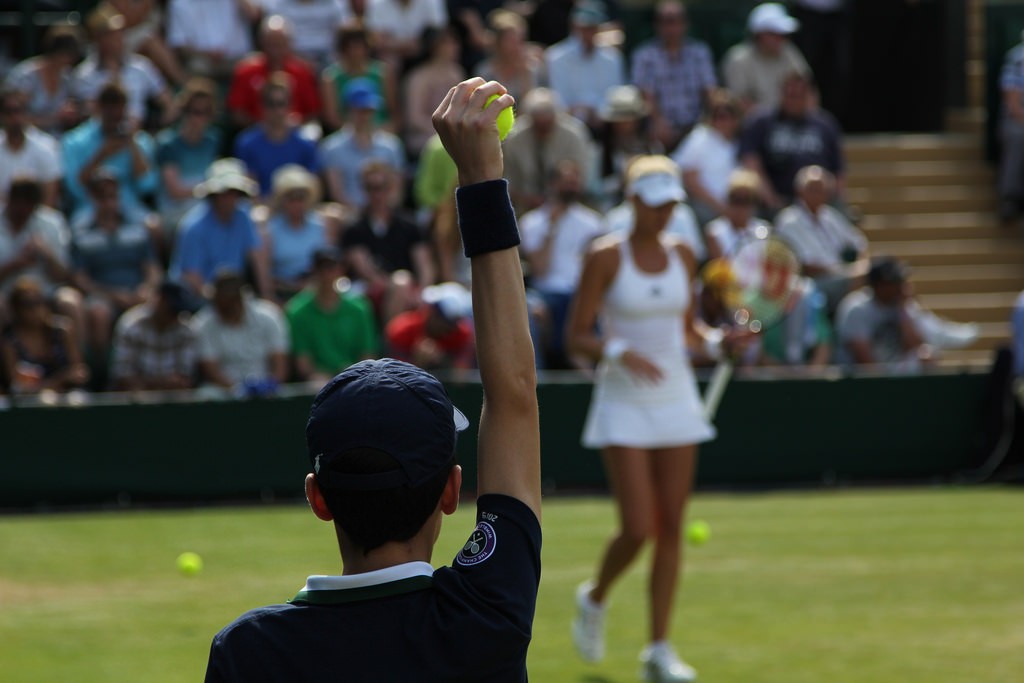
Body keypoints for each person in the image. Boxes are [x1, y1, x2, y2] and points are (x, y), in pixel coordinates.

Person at [204, 77, 541, 682]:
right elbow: (513, 393)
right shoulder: (487, 615)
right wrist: (481, 179)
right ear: (451, 490)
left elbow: (513, 394)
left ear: (318, 496)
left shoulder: (246, 653)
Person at [567, 155, 740, 683]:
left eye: (671, 205)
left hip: (676, 401)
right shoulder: (605, 256)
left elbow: (689, 333)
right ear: (634, 201)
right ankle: (594, 598)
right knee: (638, 527)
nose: (665, 214)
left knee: (670, 530)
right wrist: (618, 351)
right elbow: (576, 336)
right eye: (656, 203)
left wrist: (720, 343)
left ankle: (659, 650)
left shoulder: (684, 253)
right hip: (623, 401)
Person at [520, 159, 607, 368]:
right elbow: (540, 270)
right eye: (565, 181)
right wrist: (552, 227)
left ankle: (587, 374)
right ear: (552, 184)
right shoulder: (532, 222)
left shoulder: (593, 223)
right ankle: (538, 380)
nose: (571, 186)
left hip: (581, 292)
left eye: (574, 181)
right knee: (533, 313)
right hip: (545, 295)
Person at [71, 170, 162, 358]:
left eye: (113, 196)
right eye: (103, 197)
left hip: (137, 291)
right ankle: (103, 374)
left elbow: (152, 268)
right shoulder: (81, 232)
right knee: (99, 314)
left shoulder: (137, 227)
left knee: (159, 306)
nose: (109, 202)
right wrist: (113, 295)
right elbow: (80, 279)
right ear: (92, 198)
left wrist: (146, 289)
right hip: (102, 294)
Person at [739, 71, 845, 213]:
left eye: (798, 96)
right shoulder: (762, 122)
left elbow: (838, 172)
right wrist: (770, 198)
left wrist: (825, 200)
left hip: (818, 204)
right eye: (789, 95)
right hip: (776, 202)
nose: (793, 101)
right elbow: (750, 163)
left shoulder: (825, 125)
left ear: (808, 96)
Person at [341, 160, 434, 322]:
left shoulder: (409, 226)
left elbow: (425, 266)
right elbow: (365, 271)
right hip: (371, 288)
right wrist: (398, 289)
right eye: (370, 188)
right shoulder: (354, 229)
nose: (377, 194)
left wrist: (419, 291)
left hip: (408, 288)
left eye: (381, 187)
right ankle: (392, 340)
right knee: (401, 281)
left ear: (391, 188)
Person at [170, 158, 273, 300]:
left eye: (234, 192)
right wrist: (219, 301)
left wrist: (267, 296)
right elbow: (191, 277)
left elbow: (257, 257)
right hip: (196, 298)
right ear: (213, 195)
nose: (229, 199)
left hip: (233, 297)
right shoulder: (193, 226)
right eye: (224, 193)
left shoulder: (243, 217)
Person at [61, 82, 158, 227]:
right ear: (99, 108)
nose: (114, 115)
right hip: (89, 207)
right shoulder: (75, 141)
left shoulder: (140, 141)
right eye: (109, 109)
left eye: (119, 110)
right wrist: (102, 154)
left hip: (129, 206)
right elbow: (74, 188)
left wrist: (132, 146)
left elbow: (148, 185)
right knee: (77, 231)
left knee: (154, 228)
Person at [774, 165, 867, 313]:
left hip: (840, 275)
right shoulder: (789, 220)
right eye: (812, 188)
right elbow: (804, 265)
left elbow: (859, 243)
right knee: (864, 278)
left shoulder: (830, 216)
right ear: (800, 191)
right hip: (811, 283)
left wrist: (862, 264)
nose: (817, 194)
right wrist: (847, 271)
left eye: (821, 189)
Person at [630, 0, 717, 151]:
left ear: (685, 23)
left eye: (674, 21)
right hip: (659, 130)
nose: (670, 27)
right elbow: (644, 95)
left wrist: (706, 124)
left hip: (695, 127)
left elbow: (710, 92)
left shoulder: (699, 53)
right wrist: (659, 122)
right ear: (656, 25)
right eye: (664, 22)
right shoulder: (645, 55)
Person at [286, 246, 378, 385]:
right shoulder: (297, 311)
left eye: (332, 267)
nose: (327, 273)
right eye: (322, 268)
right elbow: (303, 365)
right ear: (314, 270)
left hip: (355, 379)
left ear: (341, 269)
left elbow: (367, 355)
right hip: (318, 383)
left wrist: (350, 374)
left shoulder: (359, 308)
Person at [71, 6, 175, 127]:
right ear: (98, 39)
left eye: (120, 34)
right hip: (102, 135)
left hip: (139, 136)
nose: (118, 40)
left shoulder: (141, 66)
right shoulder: (84, 74)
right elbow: (90, 112)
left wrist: (158, 126)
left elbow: (167, 101)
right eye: (111, 35)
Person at [192, 269, 289, 395]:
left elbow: (280, 362)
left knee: (285, 393)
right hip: (224, 390)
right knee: (206, 394)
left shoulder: (268, 315)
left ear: (238, 299)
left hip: (265, 386)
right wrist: (236, 389)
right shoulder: (204, 323)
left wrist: (270, 385)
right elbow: (210, 368)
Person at [501, 87, 594, 215]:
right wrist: (528, 199)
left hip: (568, 203)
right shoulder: (514, 139)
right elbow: (507, 180)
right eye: (538, 123)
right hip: (524, 207)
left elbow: (583, 178)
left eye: (547, 123)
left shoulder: (574, 135)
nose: (543, 129)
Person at [154, 78, 222, 250]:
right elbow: (175, 191)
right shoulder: (167, 143)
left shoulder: (213, 140)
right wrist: (208, 188)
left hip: (207, 207)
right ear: (184, 112)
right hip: (175, 211)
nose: (198, 118)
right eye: (194, 111)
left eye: (204, 112)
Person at [319, 80, 406, 210]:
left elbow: (396, 191)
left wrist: (380, 213)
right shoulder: (332, 147)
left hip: (385, 213)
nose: (365, 116)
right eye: (360, 110)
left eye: (369, 110)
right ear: (348, 111)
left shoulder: (391, 146)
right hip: (349, 217)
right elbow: (337, 194)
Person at [834, 257, 931, 372]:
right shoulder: (857, 309)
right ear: (879, 286)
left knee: (926, 356)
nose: (902, 286)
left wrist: (903, 311)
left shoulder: (902, 304)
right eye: (896, 282)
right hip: (859, 377)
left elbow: (915, 346)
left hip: (892, 371)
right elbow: (864, 360)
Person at [545, 0, 627, 135]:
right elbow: (559, 101)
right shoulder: (555, 57)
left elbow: (615, 98)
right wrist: (581, 112)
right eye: (584, 27)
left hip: (606, 127)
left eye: (593, 27)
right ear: (574, 26)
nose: (588, 32)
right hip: (567, 127)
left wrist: (597, 113)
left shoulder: (613, 58)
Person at [233, 73, 320, 198]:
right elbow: (249, 190)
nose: (277, 110)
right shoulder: (247, 143)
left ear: (290, 105)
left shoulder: (306, 144)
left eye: (281, 103)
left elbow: (313, 189)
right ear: (262, 106)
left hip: (297, 209)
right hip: (261, 211)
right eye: (270, 103)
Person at [226, 14, 322, 128]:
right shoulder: (245, 71)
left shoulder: (303, 72)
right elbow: (237, 113)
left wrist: (293, 125)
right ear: (262, 43)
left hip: (295, 134)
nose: (275, 50)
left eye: (280, 44)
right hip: (256, 135)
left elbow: (312, 112)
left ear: (289, 44)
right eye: (271, 44)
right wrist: (266, 128)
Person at [1, 276, 90, 395]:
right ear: (16, 309)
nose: (36, 309)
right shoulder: (9, 341)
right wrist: (58, 381)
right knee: (46, 399)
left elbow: (79, 372)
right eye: (28, 304)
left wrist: (55, 384)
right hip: (30, 402)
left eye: (39, 302)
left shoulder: (63, 330)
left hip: (67, 395)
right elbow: (17, 388)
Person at [721, 3, 811, 114]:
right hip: (753, 126)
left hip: (790, 120)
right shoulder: (738, 59)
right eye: (774, 34)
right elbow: (738, 103)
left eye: (783, 34)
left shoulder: (789, 52)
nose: (780, 39)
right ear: (759, 34)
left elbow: (808, 89)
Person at [109, 279, 198, 391]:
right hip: (135, 398)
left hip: (173, 398)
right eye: (172, 310)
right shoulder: (131, 324)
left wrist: (164, 383)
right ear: (160, 300)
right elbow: (122, 377)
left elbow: (184, 378)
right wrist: (163, 382)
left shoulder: (186, 329)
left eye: (178, 311)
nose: (175, 316)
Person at [671, 89, 743, 226]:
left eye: (726, 116)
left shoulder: (739, 142)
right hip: (706, 207)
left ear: (736, 119)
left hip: (734, 208)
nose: (720, 121)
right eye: (716, 116)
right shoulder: (699, 138)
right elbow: (689, 179)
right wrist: (722, 208)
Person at [262, 164, 329, 302]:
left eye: (301, 198)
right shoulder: (271, 230)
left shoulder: (320, 226)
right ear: (282, 200)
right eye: (291, 198)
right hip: (284, 292)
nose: (297, 203)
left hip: (317, 292)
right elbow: (266, 272)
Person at [3, 24, 83, 136]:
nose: (68, 61)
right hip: (26, 140)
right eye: (66, 55)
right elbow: (14, 118)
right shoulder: (25, 77)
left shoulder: (68, 77)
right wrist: (54, 119)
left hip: (59, 141)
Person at [321, 23, 398, 133]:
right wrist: (357, 133)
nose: (355, 52)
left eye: (359, 47)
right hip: (347, 134)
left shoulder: (383, 73)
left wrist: (381, 132)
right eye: (350, 47)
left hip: (380, 131)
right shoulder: (330, 77)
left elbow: (393, 114)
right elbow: (333, 119)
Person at [402, 26, 466, 158]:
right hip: (424, 141)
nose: (455, 46)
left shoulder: (457, 74)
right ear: (435, 46)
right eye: (448, 42)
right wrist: (444, 132)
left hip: (452, 136)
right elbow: (414, 119)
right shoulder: (419, 77)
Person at [595, 85, 660, 210]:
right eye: (620, 121)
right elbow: (596, 187)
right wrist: (622, 179)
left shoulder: (650, 145)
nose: (624, 125)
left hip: (649, 200)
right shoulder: (602, 148)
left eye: (629, 120)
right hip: (614, 204)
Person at [385, 281, 475, 370]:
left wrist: (443, 361)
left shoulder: (462, 334)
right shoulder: (402, 329)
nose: (448, 328)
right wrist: (417, 362)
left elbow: (460, 374)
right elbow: (392, 373)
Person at [167, 0, 261, 84]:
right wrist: (206, 54)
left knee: (253, 65)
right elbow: (179, 44)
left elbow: (254, 14)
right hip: (203, 63)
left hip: (239, 60)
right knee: (197, 68)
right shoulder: (180, 3)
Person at [0, 88, 63, 209]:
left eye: (19, 111)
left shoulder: (46, 147)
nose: (15, 117)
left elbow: (50, 198)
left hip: (37, 218)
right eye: (9, 112)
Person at [474, 10, 545, 104]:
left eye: (520, 40)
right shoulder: (483, 72)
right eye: (510, 40)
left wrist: (525, 75)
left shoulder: (533, 69)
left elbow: (533, 107)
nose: (516, 47)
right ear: (497, 42)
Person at [261, 0, 354, 70]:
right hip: (291, 59)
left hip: (330, 59)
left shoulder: (333, 3)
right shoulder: (281, 5)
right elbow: (272, 33)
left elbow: (345, 31)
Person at [703, 169, 770, 259]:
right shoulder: (715, 232)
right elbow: (722, 268)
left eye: (747, 200)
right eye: (736, 200)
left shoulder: (764, 230)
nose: (741, 207)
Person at [998, 30, 1024, 223]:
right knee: (1017, 135)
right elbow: (1013, 103)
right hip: (1018, 120)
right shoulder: (1018, 58)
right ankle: (1010, 198)